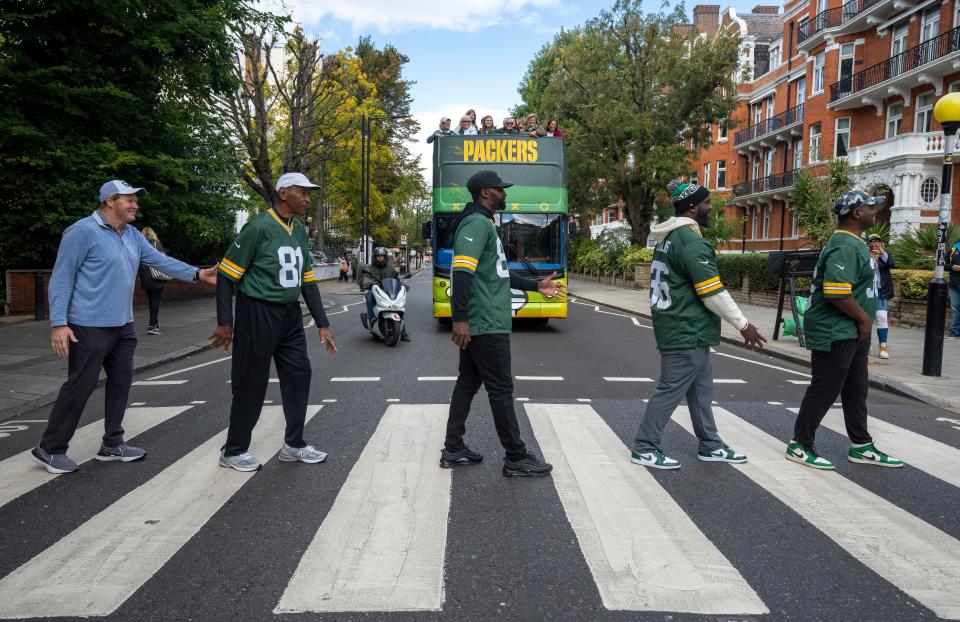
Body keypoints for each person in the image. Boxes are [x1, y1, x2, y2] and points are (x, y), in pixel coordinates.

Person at [31, 180, 217, 474]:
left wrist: (197, 273)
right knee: (80, 386)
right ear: (109, 202)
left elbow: (159, 260)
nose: (135, 205)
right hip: (87, 325)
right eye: (129, 200)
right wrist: (58, 323)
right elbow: (62, 279)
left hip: (123, 325)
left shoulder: (131, 235)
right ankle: (50, 448)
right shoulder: (81, 232)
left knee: (120, 383)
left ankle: (112, 444)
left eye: (135, 200)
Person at [631, 179, 765, 470]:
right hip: (684, 327)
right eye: (706, 203)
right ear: (692, 207)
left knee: (701, 390)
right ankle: (644, 447)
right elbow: (712, 292)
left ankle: (710, 444)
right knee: (669, 389)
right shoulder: (691, 242)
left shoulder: (669, 238)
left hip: (686, 328)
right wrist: (743, 325)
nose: (709, 207)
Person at [210, 172, 338, 472]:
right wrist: (225, 323)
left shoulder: (299, 230)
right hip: (258, 311)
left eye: (309, 193)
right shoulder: (258, 226)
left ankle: (294, 444)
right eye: (302, 192)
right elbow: (226, 277)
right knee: (251, 382)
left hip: (290, 314)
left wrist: (322, 322)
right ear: (283, 193)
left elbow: (308, 281)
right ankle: (234, 449)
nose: (308, 198)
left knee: (300, 374)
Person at [441, 170, 564, 478]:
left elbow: (499, 273)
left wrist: (537, 286)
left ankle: (453, 448)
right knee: (501, 389)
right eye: (500, 189)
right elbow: (462, 273)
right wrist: (461, 319)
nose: (505, 194)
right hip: (485, 321)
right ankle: (516, 456)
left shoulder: (484, 224)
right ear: (485, 193)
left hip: (486, 319)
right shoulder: (474, 224)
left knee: (468, 384)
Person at [786, 191, 903, 470]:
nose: (875, 211)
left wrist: (862, 323)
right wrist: (864, 319)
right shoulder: (844, 245)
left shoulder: (855, 243)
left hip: (851, 330)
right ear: (855, 213)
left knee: (855, 389)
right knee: (825, 388)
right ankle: (800, 444)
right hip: (835, 329)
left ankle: (861, 445)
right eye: (870, 207)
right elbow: (837, 292)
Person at [360, 246, 410, 342]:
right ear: (375, 257)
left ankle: (403, 333)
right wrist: (367, 282)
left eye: (382, 256)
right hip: (376, 291)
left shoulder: (390, 269)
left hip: (388, 292)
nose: (380, 258)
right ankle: (371, 317)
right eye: (378, 256)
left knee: (398, 307)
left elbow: (396, 279)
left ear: (385, 257)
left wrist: (403, 284)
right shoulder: (370, 268)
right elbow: (365, 278)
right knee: (368, 296)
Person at [867, 233, 895, 358]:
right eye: (872, 241)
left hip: (881, 291)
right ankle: (867, 345)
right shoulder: (864, 254)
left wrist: (882, 252)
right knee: (867, 319)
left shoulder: (886, 255)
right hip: (867, 292)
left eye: (877, 241)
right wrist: (871, 261)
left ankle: (883, 346)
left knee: (882, 317)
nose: (875, 244)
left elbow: (891, 264)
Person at [139, 226, 168, 335]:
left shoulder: (140, 246)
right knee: (155, 301)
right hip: (157, 278)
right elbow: (163, 260)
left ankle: (154, 323)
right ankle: (152, 326)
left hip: (145, 278)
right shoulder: (157, 244)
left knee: (151, 301)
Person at [950, 240, 960, 338]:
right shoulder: (954, 248)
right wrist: (952, 267)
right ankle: (955, 331)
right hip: (955, 283)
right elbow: (943, 263)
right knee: (955, 308)